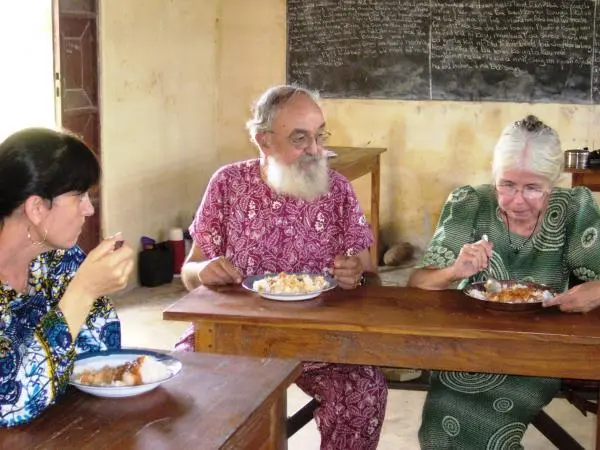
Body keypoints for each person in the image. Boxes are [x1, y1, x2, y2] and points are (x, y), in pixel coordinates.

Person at [176, 85, 387, 449]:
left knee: (364, 392)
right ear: (264, 141)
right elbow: (190, 271)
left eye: (320, 136)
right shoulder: (228, 184)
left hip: (321, 340)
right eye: (300, 138)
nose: (315, 150)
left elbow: (371, 276)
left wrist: (356, 274)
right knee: (183, 385)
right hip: (235, 335)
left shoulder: (336, 189)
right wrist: (204, 270)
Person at [408, 115, 600, 449]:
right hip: (469, 348)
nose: (517, 200)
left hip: (538, 352)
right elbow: (418, 282)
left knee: (487, 437)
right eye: (507, 185)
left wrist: (595, 291)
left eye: (532, 188)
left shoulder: (573, 210)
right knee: (438, 430)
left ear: (553, 182)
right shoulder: (471, 203)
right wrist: (454, 271)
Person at [0, 128, 134, 427]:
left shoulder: (59, 259)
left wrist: (90, 290)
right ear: (36, 208)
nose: (89, 209)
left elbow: (100, 354)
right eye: (80, 196)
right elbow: (8, 403)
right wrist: (83, 292)